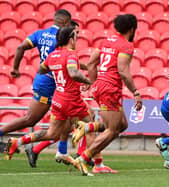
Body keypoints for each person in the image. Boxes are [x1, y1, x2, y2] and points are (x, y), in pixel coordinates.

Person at [5, 27, 104, 171]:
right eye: (76, 36)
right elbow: (73, 73)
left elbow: (41, 69)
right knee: (90, 128)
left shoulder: (53, 55)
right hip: (72, 100)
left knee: (52, 133)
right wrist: (90, 82)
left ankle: (17, 141)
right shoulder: (71, 55)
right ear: (71, 39)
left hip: (58, 99)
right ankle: (96, 164)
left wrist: (58, 72)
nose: (77, 38)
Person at [71, 14, 142, 176]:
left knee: (122, 125)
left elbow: (90, 63)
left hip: (100, 86)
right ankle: (83, 159)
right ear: (132, 29)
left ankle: (88, 127)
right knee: (112, 129)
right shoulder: (126, 46)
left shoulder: (105, 41)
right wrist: (136, 93)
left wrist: (94, 83)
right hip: (110, 89)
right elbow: (123, 71)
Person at [0, 9, 75, 163]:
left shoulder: (40, 33)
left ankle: (58, 152)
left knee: (68, 121)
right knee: (30, 119)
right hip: (49, 83)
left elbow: (20, 47)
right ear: (67, 23)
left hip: (47, 81)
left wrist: (15, 68)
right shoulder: (62, 39)